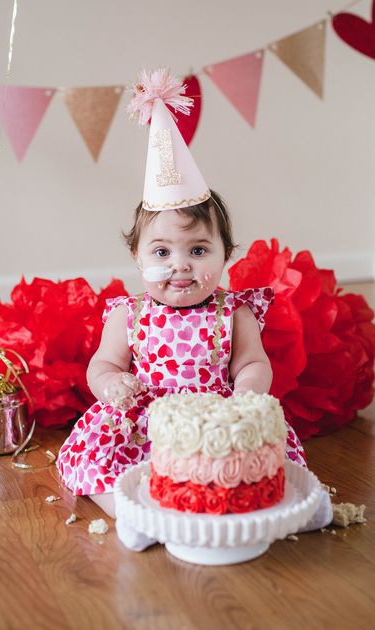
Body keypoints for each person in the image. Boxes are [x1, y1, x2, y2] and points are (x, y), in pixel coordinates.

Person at [57, 70, 332, 548]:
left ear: (226, 254)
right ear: (137, 258)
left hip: (217, 422)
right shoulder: (130, 314)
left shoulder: (234, 312)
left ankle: (293, 507)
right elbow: (103, 363)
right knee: (96, 461)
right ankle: (129, 513)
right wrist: (111, 383)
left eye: (199, 251)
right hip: (144, 420)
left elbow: (251, 362)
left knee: (266, 460)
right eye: (161, 252)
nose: (180, 266)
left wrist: (245, 398)